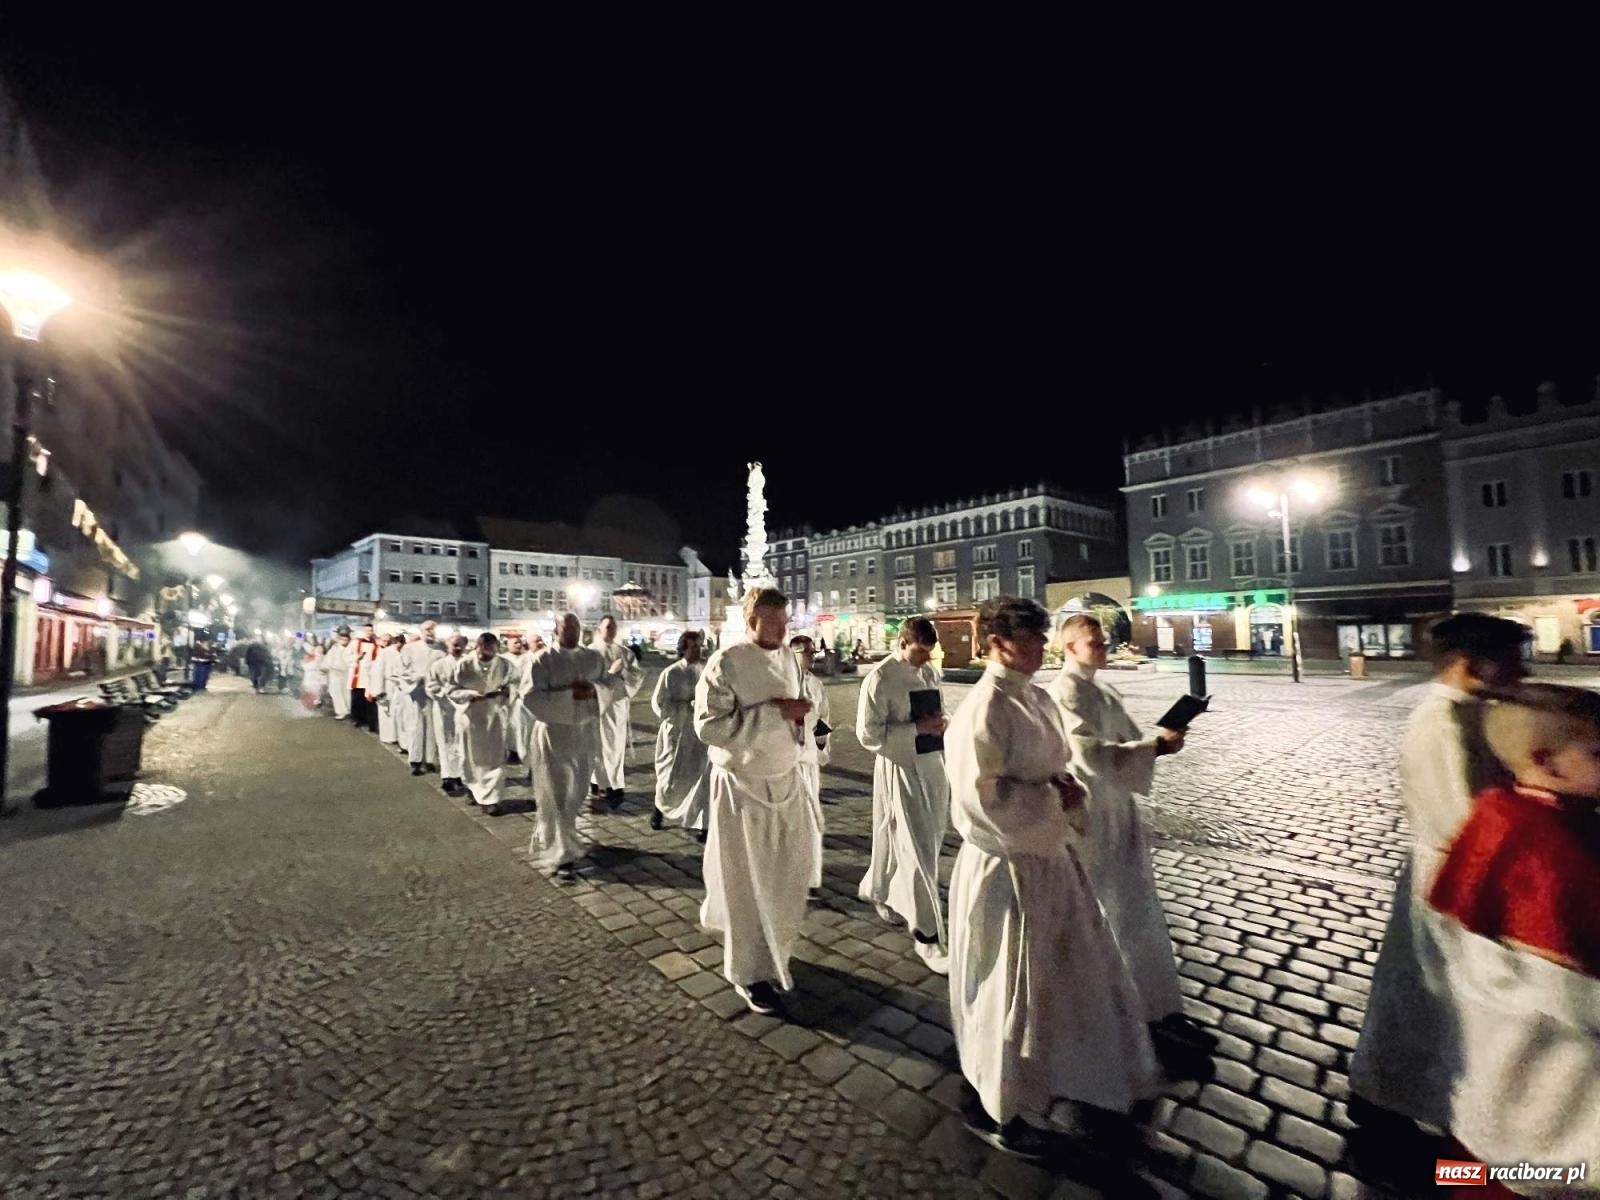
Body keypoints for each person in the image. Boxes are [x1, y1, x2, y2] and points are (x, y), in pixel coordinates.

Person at [946, 597, 1158, 1161]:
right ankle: (1000, 1105)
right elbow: (982, 801)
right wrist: (1051, 799)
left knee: (1061, 978)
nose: (1043, 648)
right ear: (996, 644)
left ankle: (1065, 1074)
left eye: (1043, 637)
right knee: (1008, 987)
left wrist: (1066, 791)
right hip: (1007, 867)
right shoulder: (983, 709)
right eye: (1031, 638)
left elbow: (1060, 765)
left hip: (1049, 859)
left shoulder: (1035, 697)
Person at [1348, 612, 1527, 1136]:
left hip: (1454, 874)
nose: (1521, 671)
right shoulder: (1445, 720)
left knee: (1418, 994)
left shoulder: (1474, 711)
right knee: (1434, 996)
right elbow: (1464, 815)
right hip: (1454, 877)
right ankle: (1398, 1107)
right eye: (1510, 661)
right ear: (1470, 665)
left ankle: (1388, 1096)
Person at [1427, 683, 1600, 1195]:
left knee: (1480, 1165)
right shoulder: (1546, 853)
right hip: (1553, 1093)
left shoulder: (1498, 809)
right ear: (1547, 762)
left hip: (1495, 1075)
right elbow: (1563, 990)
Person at [1049, 614, 1214, 1064]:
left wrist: (1158, 742)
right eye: (1093, 642)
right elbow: (1087, 755)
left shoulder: (1100, 688)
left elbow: (1125, 740)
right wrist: (1152, 749)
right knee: (1112, 909)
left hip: (1120, 808)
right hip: (1097, 812)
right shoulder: (1066, 692)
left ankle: (1158, 1006)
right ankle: (1119, 1009)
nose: (1103, 647)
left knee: (1139, 907)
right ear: (1069, 647)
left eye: (1104, 640)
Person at [694, 587, 815, 1017]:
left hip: (785, 781)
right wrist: (774, 712)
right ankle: (748, 972)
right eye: (773, 622)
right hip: (744, 788)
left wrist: (802, 716)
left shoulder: (788, 658)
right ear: (751, 622)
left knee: (788, 873)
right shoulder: (726, 662)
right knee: (747, 881)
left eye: (785, 622)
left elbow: (799, 711)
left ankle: (776, 948)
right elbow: (709, 728)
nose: (783, 630)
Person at [856, 616, 950, 973]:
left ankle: (879, 889)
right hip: (901, 767)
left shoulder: (928, 673)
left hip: (932, 765)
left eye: (930, 652)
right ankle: (926, 934)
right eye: (919, 652)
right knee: (916, 845)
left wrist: (944, 723)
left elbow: (938, 712)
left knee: (921, 839)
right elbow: (868, 735)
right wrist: (915, 729)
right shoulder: (880, 678)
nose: (925, 659)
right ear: (902, 643)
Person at [525, 613, 612, 879]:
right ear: (556, 629)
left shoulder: (593, 659)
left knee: (578, 789)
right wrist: (569, 695)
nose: (572, 631)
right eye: (567, 626)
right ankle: (560, 852)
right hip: (554, 733)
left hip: (584, 732)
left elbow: (609, 685)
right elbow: (531, 697)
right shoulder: (543, 659)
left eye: (576, 626)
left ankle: (567, 834)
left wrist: (594, 692)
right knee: (557, 791)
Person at [446, 633, 519, 815]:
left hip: (494, 716)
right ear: (477, 646)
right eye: (484, 648)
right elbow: (451, 690)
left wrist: (504, 693)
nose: (487, 653)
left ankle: (491, 799)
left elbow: (516, 684)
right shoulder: (464, 665)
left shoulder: (504, 665)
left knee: (494, 759)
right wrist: (470, 694)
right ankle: (473, 788)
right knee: (471, 758)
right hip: (470, 717)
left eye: (491, 649)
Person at [650, 630, 711, 836]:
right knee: (671, 777)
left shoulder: (706, 671)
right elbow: (659, 703)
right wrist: (685, 707)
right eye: (693, 646)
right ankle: (660, 806)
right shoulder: (671, 673)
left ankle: (700, 822)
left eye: (699, 646)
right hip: (678, 732)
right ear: (683, 648)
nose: (697, 650)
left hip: (698, 735)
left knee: (701, 776)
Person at [589, 615, 644, 811]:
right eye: (607, 626)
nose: (611, 630)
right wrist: (610, 674)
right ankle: (599, 783)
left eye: (613, 626)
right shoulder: (590, 653)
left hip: (617, 706)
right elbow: (586, 681)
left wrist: (624, 674)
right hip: (597, 707)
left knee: (615, 746)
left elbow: (636, 676)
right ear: (599, 628)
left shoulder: (625, 652)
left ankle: (615, 785)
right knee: (597, 746)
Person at [790, 634, 831, 896]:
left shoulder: (816, 685)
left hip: (808, 762)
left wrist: (821, 740)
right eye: (806, 651)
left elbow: (824, 717)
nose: (811, 656)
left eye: (813, 651)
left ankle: (809, 877)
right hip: (787, 763)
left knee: (811, 819)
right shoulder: (781, 684)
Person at [426, 634, 469, 796]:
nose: (457, 648)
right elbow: (431, 686)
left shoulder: (469, 664)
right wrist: (446, 692)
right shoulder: (438, 665)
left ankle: (461, 775)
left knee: (462, 742)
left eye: (460, 645)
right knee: (445, 741)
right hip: (445, 707)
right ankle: (447, 776)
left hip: (465, 708)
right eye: (454, 645)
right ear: (447, 645)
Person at [399, 621, 442, 777]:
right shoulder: (410, 648)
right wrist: (415, 678)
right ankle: (416, 760)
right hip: (416, 690)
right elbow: (403, 669)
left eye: (433, 629)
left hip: (434, 692)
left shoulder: (440, 650)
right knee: (416, 726)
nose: (430, 632)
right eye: (427, 630)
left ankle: (430, 758)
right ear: (422, 631)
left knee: (432, 726)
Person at [367, 632, 402, 747]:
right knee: (387, 711)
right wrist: (378, 691)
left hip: (397, 685)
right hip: (388, 685)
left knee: (396, 712)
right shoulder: (385, 653)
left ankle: (396, 736)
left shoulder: (401, 653)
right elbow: (377, 672)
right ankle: (389, 736)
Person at [501, 635, 532, 766]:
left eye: (519, 643)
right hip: (508, 696)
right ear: (508, 645)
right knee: (508, 726)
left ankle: (523, 753)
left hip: (523, 696)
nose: (517, 645)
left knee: (523, 727)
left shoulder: (528, 657)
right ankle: (511, 751)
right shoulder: (503, 658)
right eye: (514, 643)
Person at [349, 623, 381, 733]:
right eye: (367, 630)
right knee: (356, 698)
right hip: (358, 672)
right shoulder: (355, 642)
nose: (368, 632)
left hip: (369, 674)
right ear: (364, 631)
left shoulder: (375, 643)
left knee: (366, 699)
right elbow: (347, 655)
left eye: (370, 630)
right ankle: (356, 719)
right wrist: (356, 658)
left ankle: (365, 719)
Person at [322, 628, 353, 719]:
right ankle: (341, 711)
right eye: (342, 639)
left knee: (347, 693)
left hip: (346, 673)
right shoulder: (334, 649)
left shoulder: (350, 649)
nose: (344, 641)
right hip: (335, 673)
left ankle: (348, 710)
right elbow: (328, 659)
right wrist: (325, 667)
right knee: (336, 692)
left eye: (346, 640)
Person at [300, 638, 327, 711]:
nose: (318, 651)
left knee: (317, 691)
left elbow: (320, 664)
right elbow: (304, 666)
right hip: (308, 676)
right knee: (308, 691)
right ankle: (309, 705)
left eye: (320, 650)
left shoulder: (322, 657)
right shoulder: (309, 657)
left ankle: (317, 703)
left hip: (317, 677)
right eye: (317, 649)